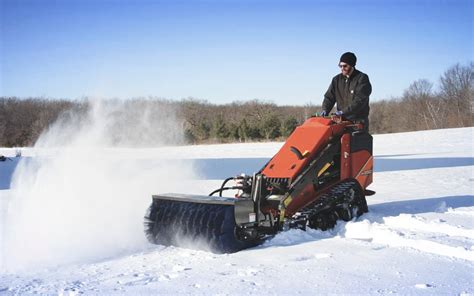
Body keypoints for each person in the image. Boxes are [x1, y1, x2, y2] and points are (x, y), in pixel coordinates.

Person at [319, 52, 372, 131]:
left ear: (352, 65)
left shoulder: (362, 78)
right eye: (340, 66)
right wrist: (325, 109)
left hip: (357, 123)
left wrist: (343, 112)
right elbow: (329, 97)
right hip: (341, 122)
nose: (342, 68)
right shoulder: (336, 80)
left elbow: (359, 101)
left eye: (345, 66)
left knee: (356, 143)